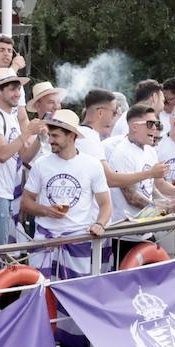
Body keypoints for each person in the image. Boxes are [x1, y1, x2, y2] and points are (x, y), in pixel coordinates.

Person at [20, 109, 111, 281]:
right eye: (50, 135)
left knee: (76, 296)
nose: (50, 140)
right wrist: (46, 210)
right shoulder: (41, 164)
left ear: (71, 136)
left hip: (78, 242)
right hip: (44, 241)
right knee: (40, 296)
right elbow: (25, 203)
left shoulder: (92, 165)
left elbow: (105, 204)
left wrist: (100, 223)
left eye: (55, 136)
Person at [0, 69, 44, 282]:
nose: (18, 93)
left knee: (0, 254)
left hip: (5, 193)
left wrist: (40, 138)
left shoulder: (11, 117)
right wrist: (27, 133)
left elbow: (23, 156)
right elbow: (3, 153)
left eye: (19, 88)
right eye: (13, 88)